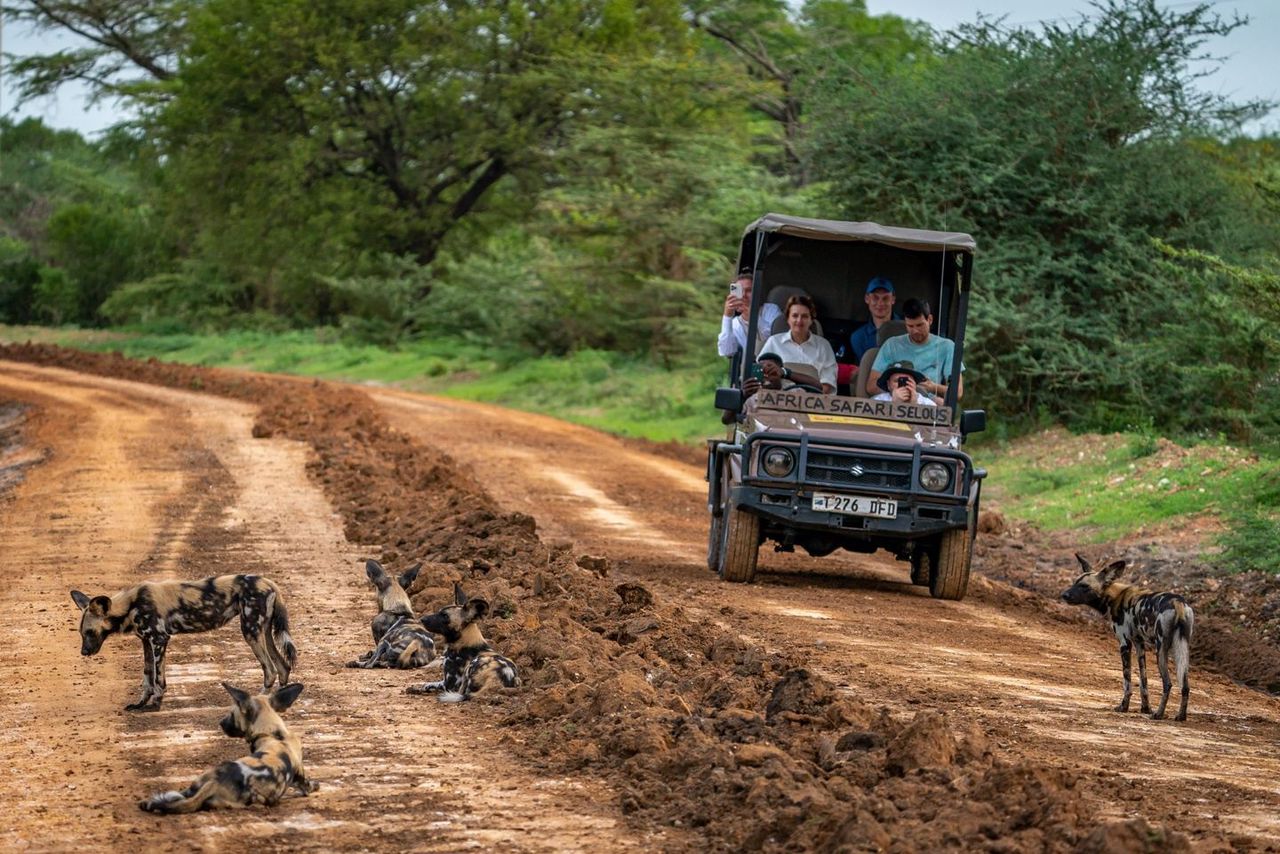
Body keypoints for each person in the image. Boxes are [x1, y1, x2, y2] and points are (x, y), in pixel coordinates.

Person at [869, 298, 962, 403]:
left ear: (930, 320)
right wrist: (894, 389)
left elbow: (957, 393)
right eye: (910, 326)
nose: (915, 331)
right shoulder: (891, 345)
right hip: (894, 400)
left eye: (919, 325)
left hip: (928, 405)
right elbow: (871, 386)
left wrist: (932, 387)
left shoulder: (947, 346)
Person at [757, 295, 837, 394]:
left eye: (804, 316)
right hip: (777, 402)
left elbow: (827, 388)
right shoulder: (773, 342)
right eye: (795, 316)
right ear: (787, 319)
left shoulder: (824, 346)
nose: (799, 320)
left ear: (811, 320)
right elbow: (759, 378)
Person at [717, 266, 781, 358]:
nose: (743, 296)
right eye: (740, 291)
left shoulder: (770, 310)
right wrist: (727, 316)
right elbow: (726, 352)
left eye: (748, 291)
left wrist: (751, 316)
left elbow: (771, 340)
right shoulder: (735, 323)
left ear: (757, 292)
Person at [849, 276, 899, 363]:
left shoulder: (908, 329)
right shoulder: (858, 338)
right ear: (867, 299)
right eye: (875, 298)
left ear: (893, 300)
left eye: (885, 298)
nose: (880, 303)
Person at [872, 360, 937, 406]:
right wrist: (894, 405)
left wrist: (915, 405)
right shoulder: (878, 400)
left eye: (907, 381)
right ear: (888, 384)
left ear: (914, 384)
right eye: (897, 381)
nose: (903, 385)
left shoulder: (927, 403)